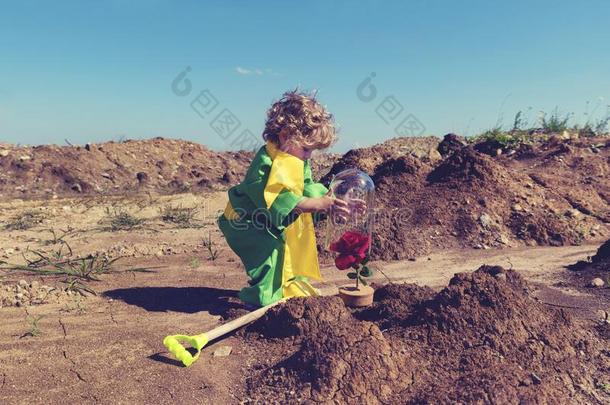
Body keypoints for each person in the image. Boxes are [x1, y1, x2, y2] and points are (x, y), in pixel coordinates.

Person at [217, 90, 349, 307]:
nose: (309, 156)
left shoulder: (296, 158)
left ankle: (288, 282)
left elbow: (306, 187)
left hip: (267, 221)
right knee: (271, 254)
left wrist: (329, 199)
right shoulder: (265, 162)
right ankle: (261, 300)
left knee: (291, 239)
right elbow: (275, 197)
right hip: (245, 222)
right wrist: (315, 204)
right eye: (307, 149)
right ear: (286, 135)